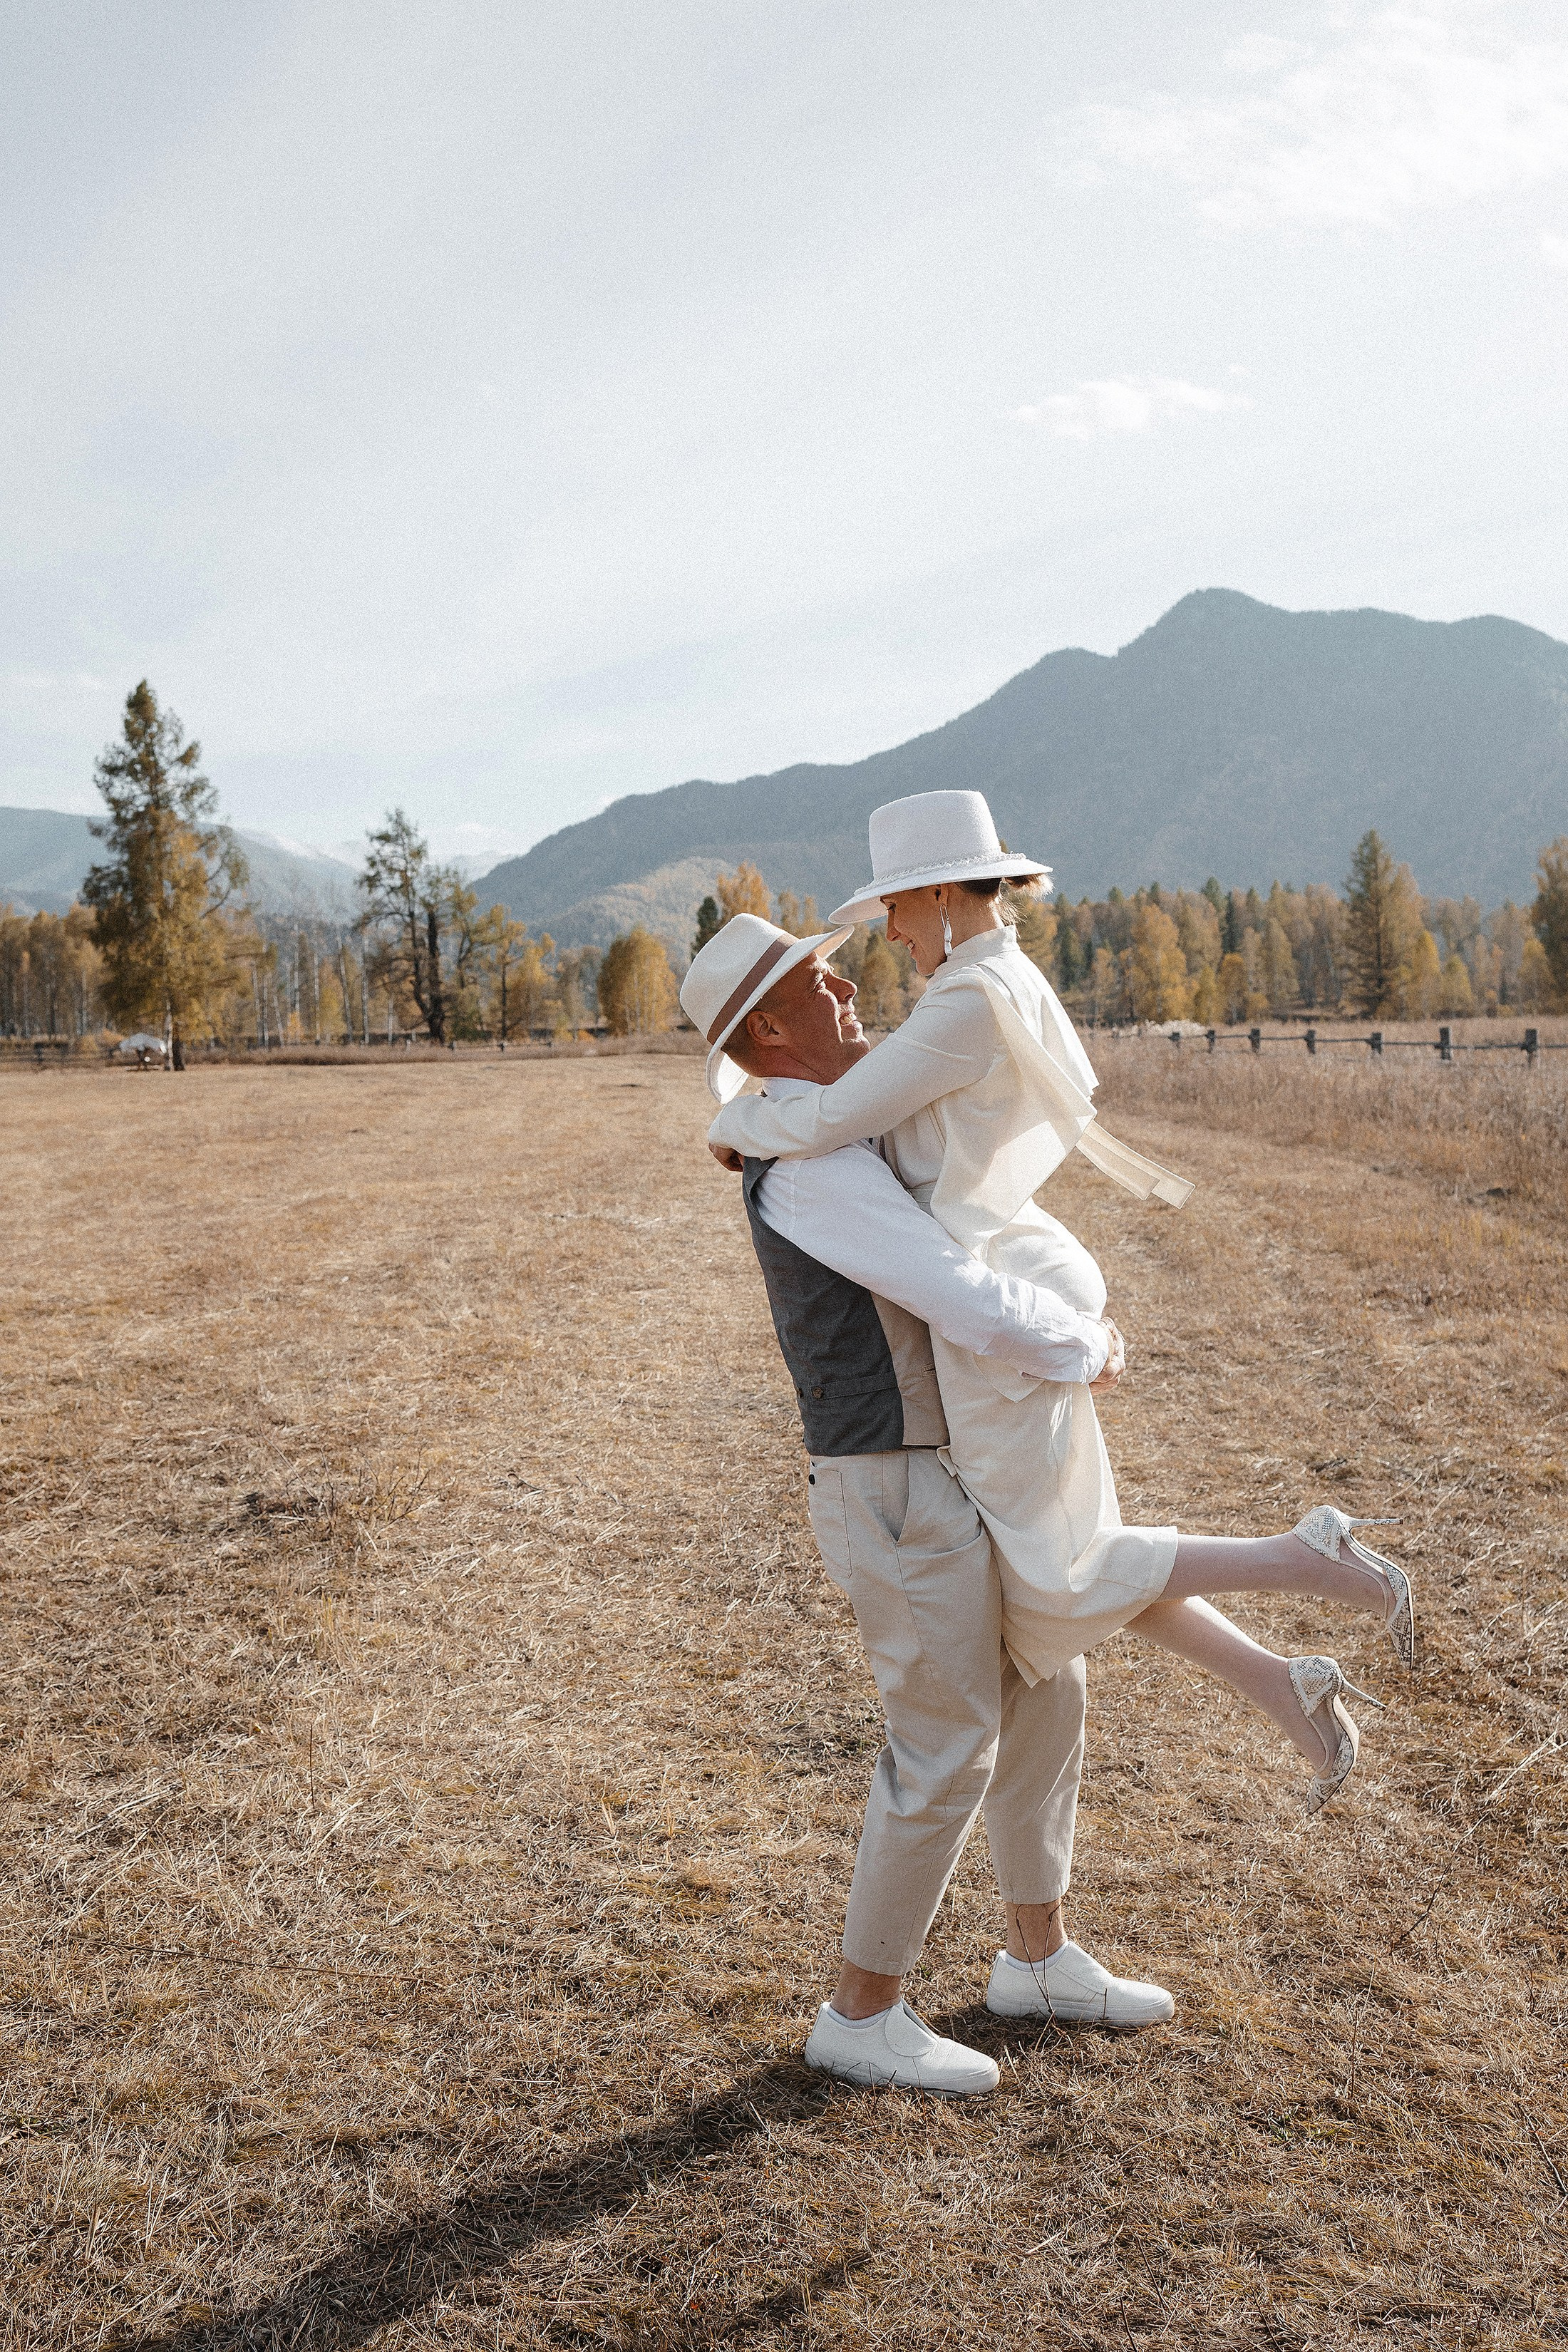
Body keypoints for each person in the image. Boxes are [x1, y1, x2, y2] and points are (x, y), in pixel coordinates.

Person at [707, 792, 1415, 1807]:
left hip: (1006, 1285)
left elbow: (832, 1116)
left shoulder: (965, 997)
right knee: (1051, 1579)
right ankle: (1282, 1683)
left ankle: (1306, 1559)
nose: (890, 942)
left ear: (943, 893)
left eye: (895, 914)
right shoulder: (995, 979)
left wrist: (731, 1120)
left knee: (1061, 1574)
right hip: (1025, 1258)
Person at [679, 911, 1175, 2095]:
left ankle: (1037, 1956)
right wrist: (1083, 1345)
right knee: (944, 1739)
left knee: (1048, 1686)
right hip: (893, 1483)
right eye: (816, 980)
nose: (848, 985)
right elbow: (954, 1289)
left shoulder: (827, 1133)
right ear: (768, 1030)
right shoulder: (806, 1169)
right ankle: (861, 2011)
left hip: (947, 1469)